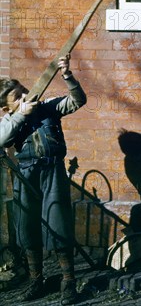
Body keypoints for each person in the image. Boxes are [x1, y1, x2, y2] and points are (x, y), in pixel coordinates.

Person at [0, 55, 85, 304]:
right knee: (27, 226)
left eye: (24, 90)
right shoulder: (9, 120)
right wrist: (20, 115)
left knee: (59, 223)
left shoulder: (48, 106)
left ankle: (68, 281)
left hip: (52, 172)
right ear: (7, 108)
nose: (26, 96)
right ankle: (37, 280)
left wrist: (67, 75)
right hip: (26, 175)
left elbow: (78, 101)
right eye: (18, 97)